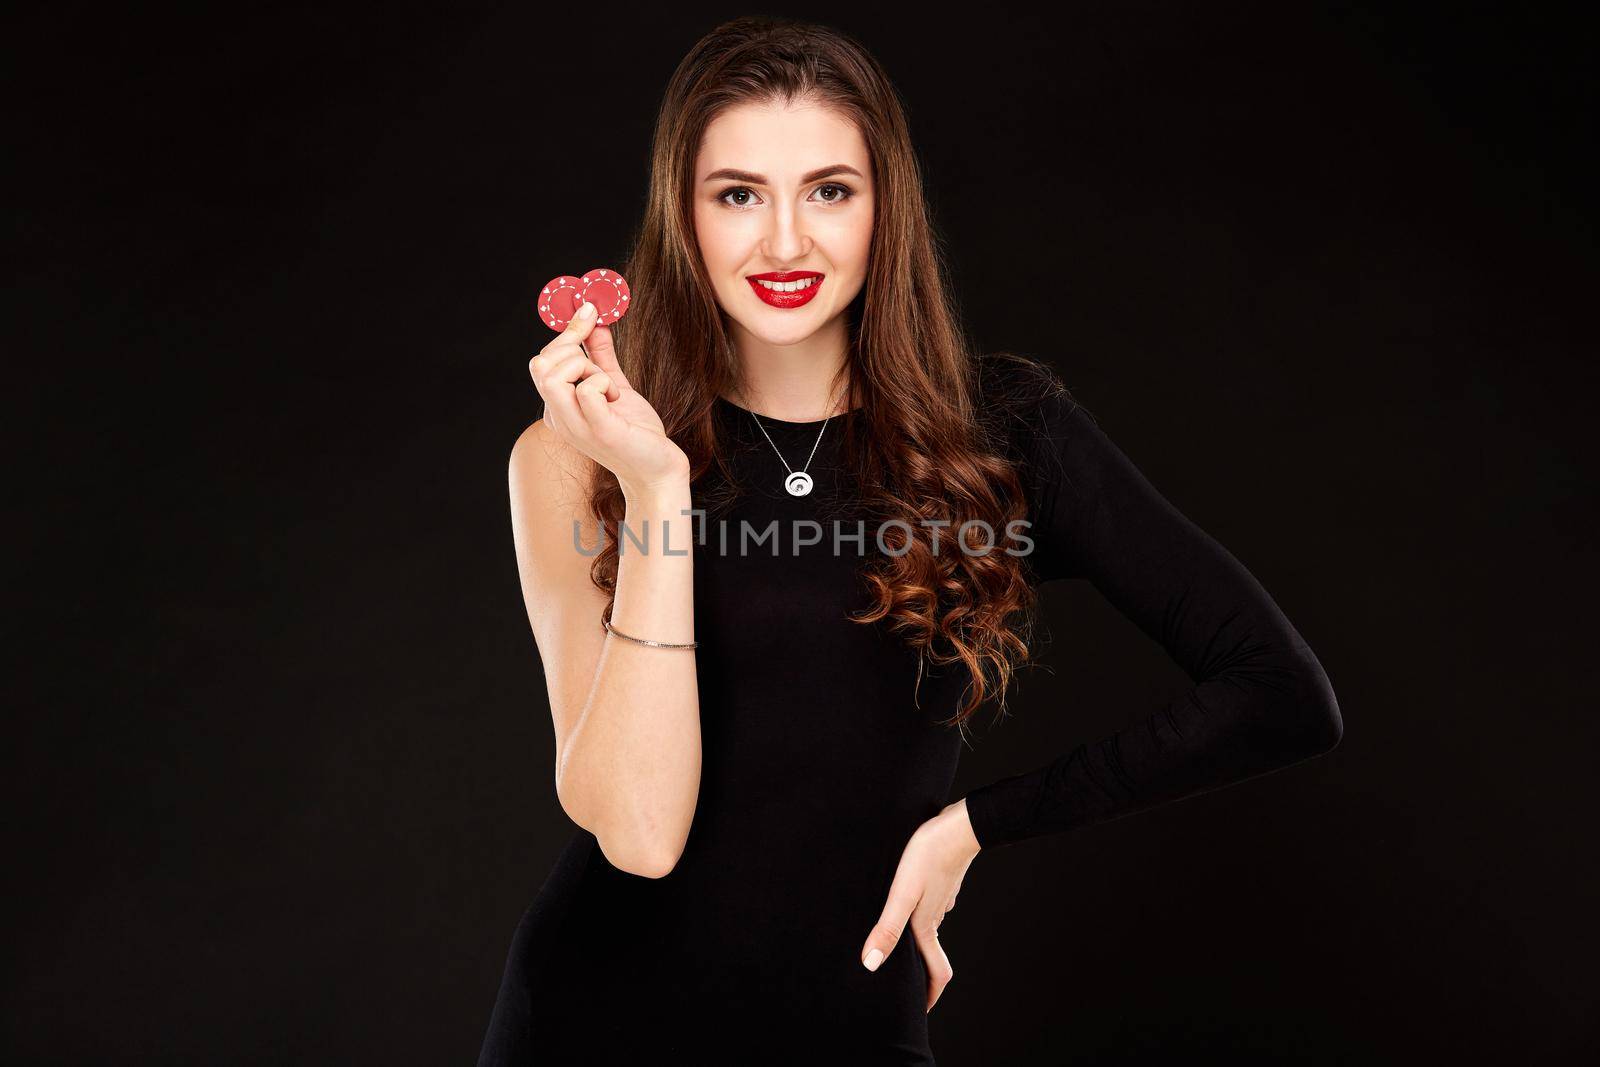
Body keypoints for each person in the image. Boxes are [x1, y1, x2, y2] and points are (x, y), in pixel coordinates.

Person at [477, 16, 1342, 1066]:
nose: (784, 243)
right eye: (738, 193)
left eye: (829, 191)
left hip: (853, 1027)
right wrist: (656, 487)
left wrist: (974, 823)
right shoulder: (574, 456)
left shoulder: (1001, 433)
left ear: (886, 207)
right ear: (683, 213)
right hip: (594, 1024)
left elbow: (1278, 691)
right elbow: (641, 833)